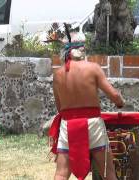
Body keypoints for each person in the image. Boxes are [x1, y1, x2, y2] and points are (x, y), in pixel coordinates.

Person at [49, 34, 124, 180]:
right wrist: (120, 101)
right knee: (108, 172)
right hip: (93, 124)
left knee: (61, 173)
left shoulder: (58, 74)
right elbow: (114, 95)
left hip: (69, 125)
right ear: (83, 50)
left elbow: (60, 108)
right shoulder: (93, 68)